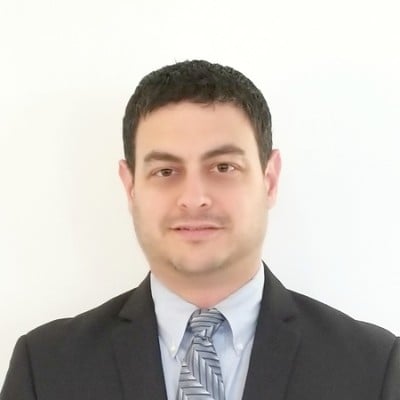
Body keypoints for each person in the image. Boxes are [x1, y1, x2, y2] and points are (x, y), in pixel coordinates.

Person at [1, 60, 399, 400]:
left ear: (269, 179)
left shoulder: (373, 368)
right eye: (165, 171)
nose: (193, 198)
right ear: (131, 186)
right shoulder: (46, 369)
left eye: (223, 167)